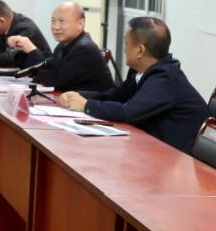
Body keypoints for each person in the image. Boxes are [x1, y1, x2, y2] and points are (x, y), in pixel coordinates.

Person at [59, 17, 208, 154]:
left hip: (182, 159)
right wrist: (81, 96)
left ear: (140, 50)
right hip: (157, 148)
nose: (124, 49)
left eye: (127, 43)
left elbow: (128, 112)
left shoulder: (165, 78)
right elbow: (117, 96)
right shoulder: (140, 71)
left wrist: (86, 105)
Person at [9, 2, 113, 93]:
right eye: (53, 21)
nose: (55, 27)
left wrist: (32, 50)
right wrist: (28, 50)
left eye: (61, 21)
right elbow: (47, 72)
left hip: (93, 106)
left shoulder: (84, 48)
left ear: (80, 24)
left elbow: (53, 81)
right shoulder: (62, 46)